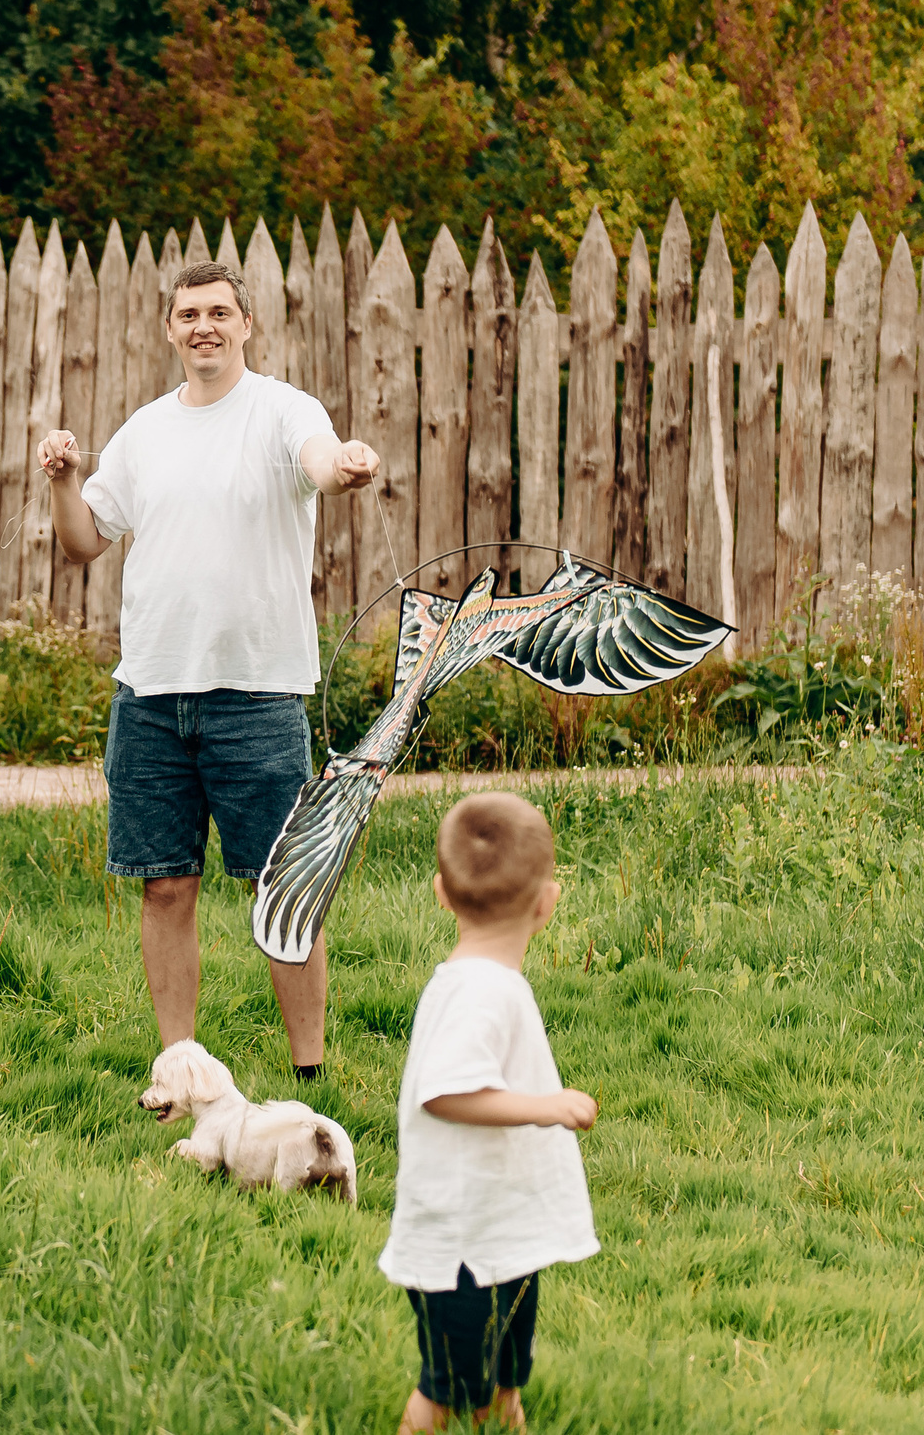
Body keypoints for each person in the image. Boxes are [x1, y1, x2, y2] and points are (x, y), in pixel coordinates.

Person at [38, 260, 379, 1078]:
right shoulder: (144, 431)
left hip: (257, 697)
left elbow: (320, 462)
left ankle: (310, 1073)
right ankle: (180, 1068)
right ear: (169, 329)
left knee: (282, 889)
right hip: (151, 697)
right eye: (189, 314)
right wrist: (63, 481)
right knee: (164, 887)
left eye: (220, 312)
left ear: (246, 324)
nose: (204, 327)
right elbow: (83, 541)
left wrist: (346, 463)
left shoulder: (282, 409)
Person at [381, 793, 599, 1431]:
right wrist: (545, 1107)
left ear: (440, 894)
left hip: (498, 1235)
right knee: (444, 1391)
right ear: (547, 903)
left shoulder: (484, 981)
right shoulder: (480, 991)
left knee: (503, 1382)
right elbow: (445, 1091)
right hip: (462, 1250)